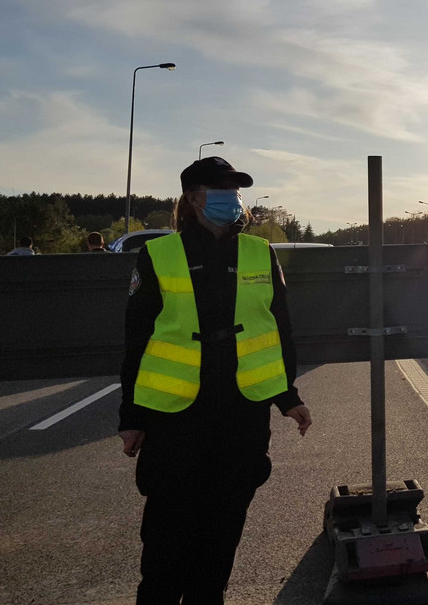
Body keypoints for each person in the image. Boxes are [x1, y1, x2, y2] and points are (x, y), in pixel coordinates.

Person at [118, 156, 312, 604]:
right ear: (193, 197)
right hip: (175, 420)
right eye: (219, 188)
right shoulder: (158, 255)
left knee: (220, 546)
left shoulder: (260, 253)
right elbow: (137, 340)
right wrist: (132, 416)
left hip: (241, 415)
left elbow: (278, 331)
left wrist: (288, 397)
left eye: (235, 189)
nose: (231, 197)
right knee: (166, 552)